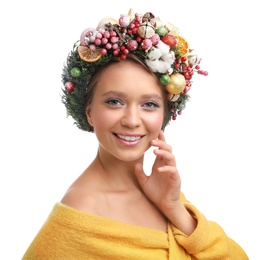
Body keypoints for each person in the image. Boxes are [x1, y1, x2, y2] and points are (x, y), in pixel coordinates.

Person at [22, 9, 248, 259]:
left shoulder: (164, 193)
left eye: (149, 104)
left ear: (165, 113)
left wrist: (175, 210)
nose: (131, 121)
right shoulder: (77, 216)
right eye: (114, 102)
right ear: (88, 112)